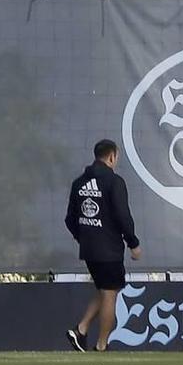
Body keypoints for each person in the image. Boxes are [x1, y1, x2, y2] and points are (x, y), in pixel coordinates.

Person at [64, 139, 141, 352]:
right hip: (109, 249)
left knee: (103, 288)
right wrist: (133, 243)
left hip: (89, 250)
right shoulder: (114, 182)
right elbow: (123, 215)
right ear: (112, 157)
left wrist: (84, 237)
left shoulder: (78, 183)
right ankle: (102, 345)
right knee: (110, 293)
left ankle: (81, 329)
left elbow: (70, 218)